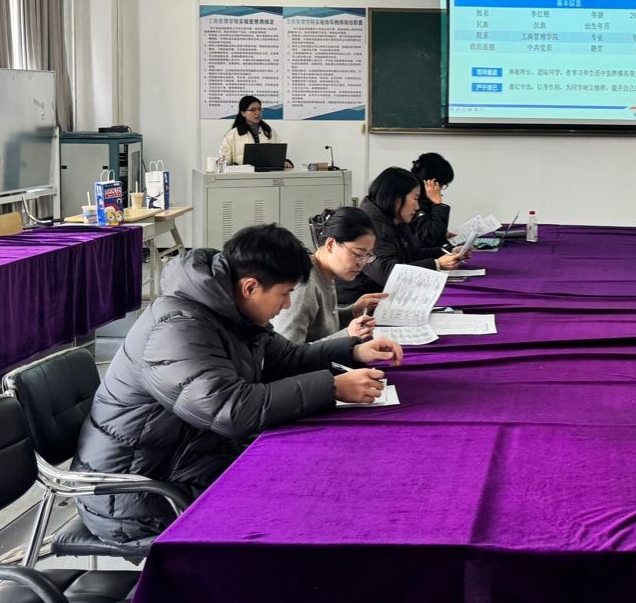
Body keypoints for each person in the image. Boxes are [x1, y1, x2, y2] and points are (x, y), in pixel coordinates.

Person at [72, 224, 403, 544]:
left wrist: (353, 350)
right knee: (306, 495)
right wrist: (332, 387)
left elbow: (287, 358)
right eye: (284, 294)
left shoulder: (230, 311)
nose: (287, 305)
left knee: (320, 467)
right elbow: (231, 411)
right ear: (250, 287)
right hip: (137, 492)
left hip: (190, 457)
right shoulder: (177, 329)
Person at [272, 207, 387, 344]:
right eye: (358, 254)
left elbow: (320, 324)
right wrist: (347, 335)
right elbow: (287, 352)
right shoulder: (305, 284)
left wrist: (353, 311)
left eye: (368, 255)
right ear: (331, 244)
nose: (361, 263)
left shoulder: (324, 271)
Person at [360, 166, 462, 289]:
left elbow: (412, 253)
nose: (417, 207)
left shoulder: (394, 219)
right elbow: (387, 273)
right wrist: (436, 264)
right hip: (365, 294)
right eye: (415, 198)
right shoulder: (371, 227)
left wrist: (449, 251)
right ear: (396, 198)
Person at [220, 95, 291, 168]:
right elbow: (225, 159)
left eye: (259, 109)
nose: (258, 113)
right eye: (253, 110)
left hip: (267, 173)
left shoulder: (270, 132)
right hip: (242, 174)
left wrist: (284, 161)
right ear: (243, 113)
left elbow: (279, 154)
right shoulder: (232, 135)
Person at [410, 152, 454, 248]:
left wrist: (443, 233)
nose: (441, 189)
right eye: (442, 185)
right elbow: (430, 237)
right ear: (432, 182)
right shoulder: (415, 203)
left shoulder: (424, 200)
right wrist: (438, 204)